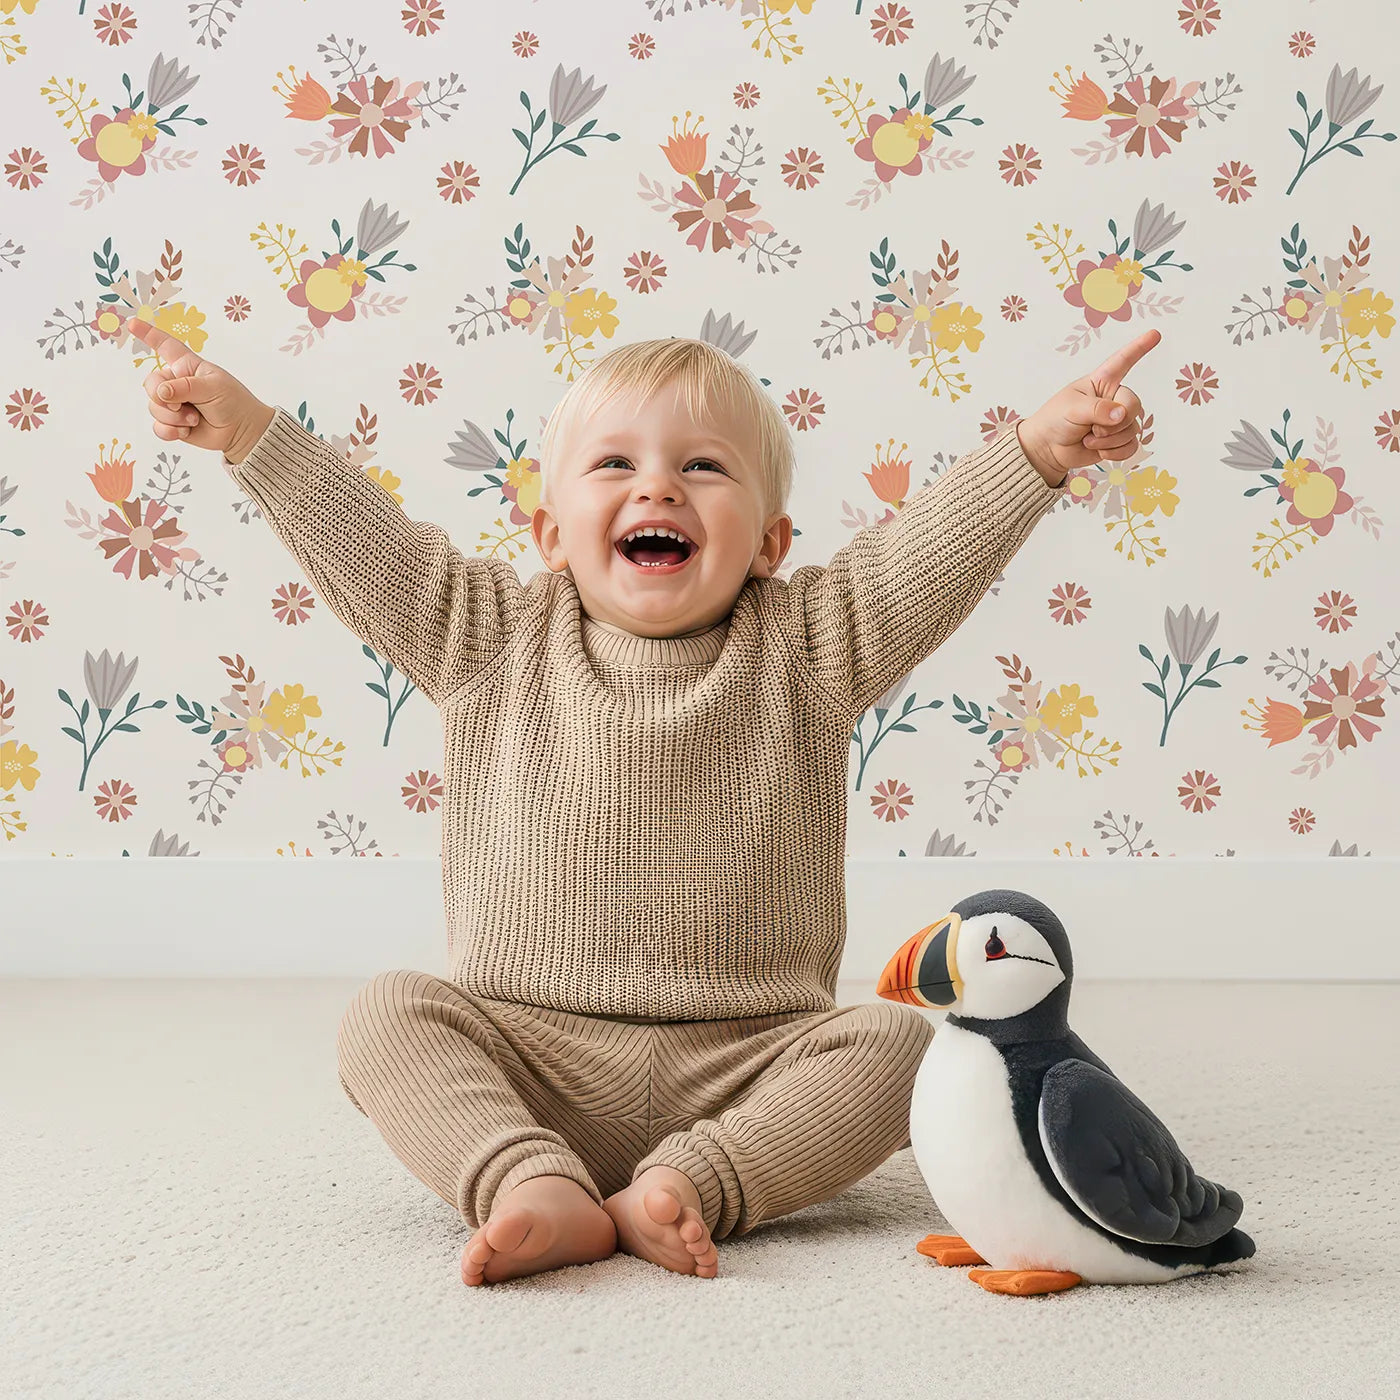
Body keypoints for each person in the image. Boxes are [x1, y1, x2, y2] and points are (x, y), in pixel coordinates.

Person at [125, 314, 1155, 1286]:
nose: (656, 485)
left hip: (747, 1062)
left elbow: (922, 552)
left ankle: (685, 1184)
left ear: (767, 543)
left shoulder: (809, 647)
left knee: (898, 1047)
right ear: (548, 531)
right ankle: (525, 1176)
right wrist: (250, 430)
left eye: (701, 466)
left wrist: (1039, 449)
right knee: (386, 1014)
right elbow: (367, 543)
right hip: (528, 1051)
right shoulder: (482, 634)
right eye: (614, 463)